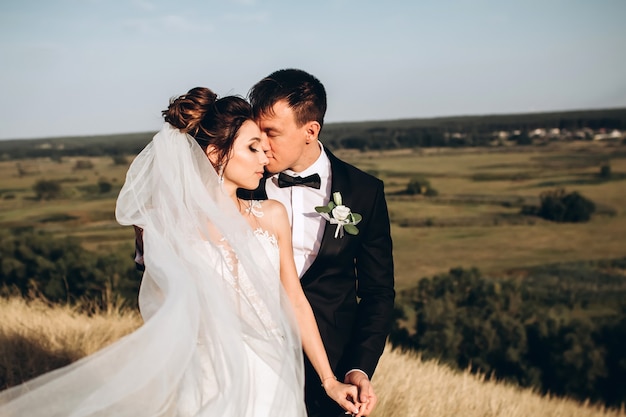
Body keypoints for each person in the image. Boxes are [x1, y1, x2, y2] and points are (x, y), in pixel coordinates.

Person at [0, 87, 361, 416]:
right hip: (206, 374)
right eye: (252, 147)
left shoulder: (272, 216)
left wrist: (329, 380)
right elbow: (163, 306)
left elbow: (295, 302)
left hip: (271, 374)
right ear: (216, 152)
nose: (264, 158)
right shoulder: (172, 228)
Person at [240, 69, 396, 417]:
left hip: (334, 370)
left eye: (272, 132)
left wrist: (359, 367)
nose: (261, 143)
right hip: (252, 361)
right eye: (257, 130)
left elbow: (378, 293)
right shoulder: (241, 185)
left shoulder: (364, 192)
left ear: (310, 131)